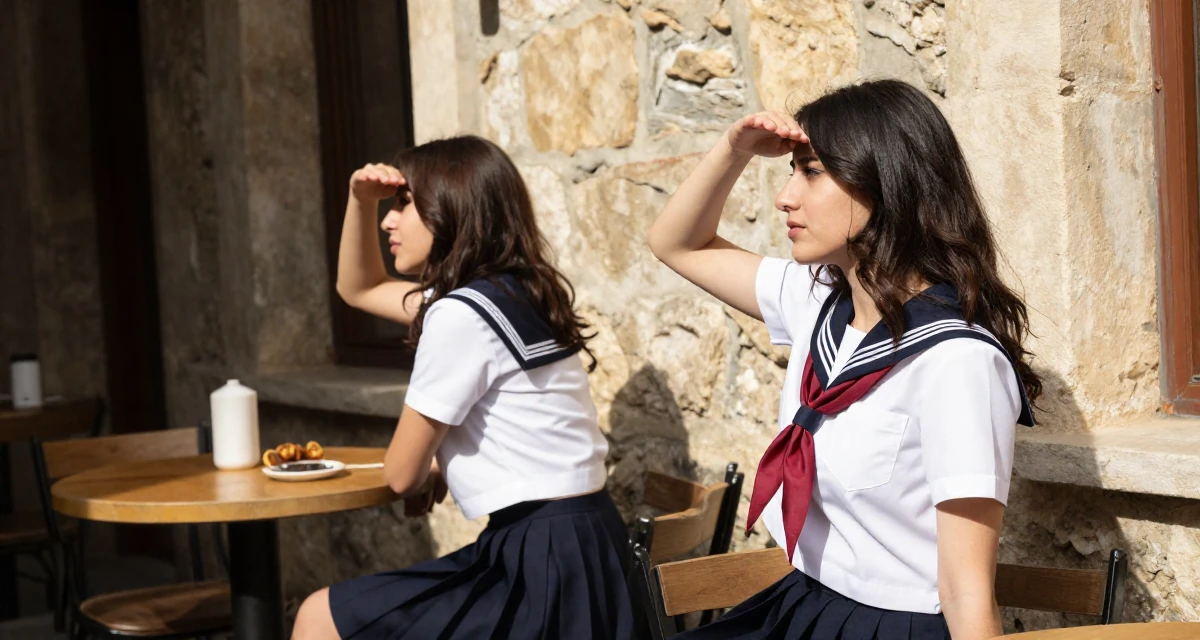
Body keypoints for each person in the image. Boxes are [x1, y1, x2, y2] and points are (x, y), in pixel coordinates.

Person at [646, 79, 1040, 640]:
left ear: (886, 183)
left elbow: (965, 588)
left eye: (811, 172)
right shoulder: (817, 300)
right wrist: (732, 150)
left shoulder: (956, 361)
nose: (785, 197)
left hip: (890, 626)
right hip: (804, 600)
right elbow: (676, 243)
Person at [292, 135, 635, 640]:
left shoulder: (459, 314)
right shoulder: (518, 292)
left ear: (451, 207)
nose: (389, 220)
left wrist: (428, 463)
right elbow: (359, 289)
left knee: (320, 616)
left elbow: (399, 476)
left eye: (404, 203)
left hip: (536, 565)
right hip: (585, 546)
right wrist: (359, 201)